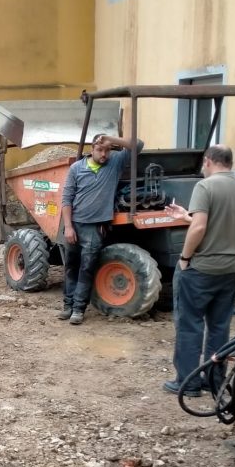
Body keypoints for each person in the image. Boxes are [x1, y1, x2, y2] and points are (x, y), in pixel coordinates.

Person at [162, 145, 235, 397]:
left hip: (203, 269)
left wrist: (185, 258)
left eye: (203, 163)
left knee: (190, 325)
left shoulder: (205, 187)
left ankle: (187, 382)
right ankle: (214, 380)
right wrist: (186, 216)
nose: (202, 168)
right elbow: (219, 225)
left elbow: (200, 228)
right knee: (219, 327)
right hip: (232, 268)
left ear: (209, 161)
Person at [58, 132, 143, 325]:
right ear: (92, 149)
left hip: (95, 228)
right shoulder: (76, 168)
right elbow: (67, 199)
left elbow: (137, 145)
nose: (104, 154)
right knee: (71, 267)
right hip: (74, 225)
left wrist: (112, 140)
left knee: (86, 268)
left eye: (107, 150)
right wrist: (68, 227)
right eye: (100, 150)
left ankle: (78, 309)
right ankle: (67, 306)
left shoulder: (114, 164)